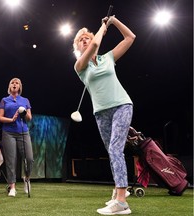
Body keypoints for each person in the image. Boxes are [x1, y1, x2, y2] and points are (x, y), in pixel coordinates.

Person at [72, 15, 136, 215]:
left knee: (116, 150)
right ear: (78, 47)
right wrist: (101, 28)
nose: (85, 40)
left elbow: (130, 38)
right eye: (81, 39)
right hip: (101, 113)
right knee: (113, 153)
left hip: (122, 106)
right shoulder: (80, 66)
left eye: (87, 37)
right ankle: (117, 196)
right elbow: (96, 43)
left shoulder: (107, 57)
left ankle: (122, 202)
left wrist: (114, 22)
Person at [0, 77, 34, 197]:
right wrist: (11, 119)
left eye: (17, 83)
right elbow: (0, 117)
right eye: (12, 82)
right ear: (9, 86)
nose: (14, 84)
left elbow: (29, 118)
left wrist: (25, 114)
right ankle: (12, 186)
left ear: (20, 87)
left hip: (23, 132)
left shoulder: (25, 100)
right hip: (8, 132)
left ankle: (27, 178)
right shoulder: (4, 100)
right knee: (11, 161)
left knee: (29, 158)